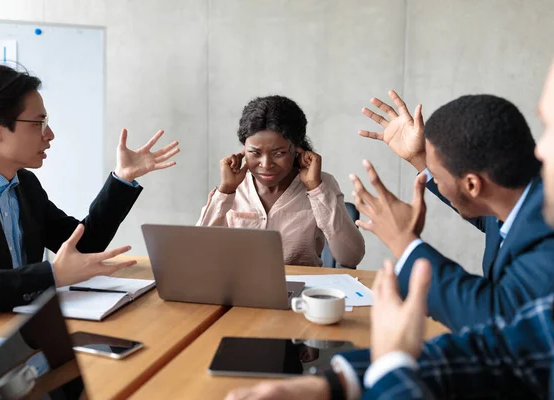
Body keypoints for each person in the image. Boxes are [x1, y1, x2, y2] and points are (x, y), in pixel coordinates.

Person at [224, 61, 554, 400]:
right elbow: (502, 349)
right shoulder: (519, 208)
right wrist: (334, 382)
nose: (540, 151)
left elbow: (498, 326)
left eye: (549, 128)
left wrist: (405, 244)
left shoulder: (546, 235)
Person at [0, 65, 180, 316]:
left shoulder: (25, 185)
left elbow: (83, 245)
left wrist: (122, 179)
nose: (49, 134)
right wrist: (49, 275)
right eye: (38, 123)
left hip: (24, 327)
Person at [349, 91, 554, 331]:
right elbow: (481, 207)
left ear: (472, 184)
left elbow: (498, 317)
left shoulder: (547, 232)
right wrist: (419, 158)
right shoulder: (516, 197)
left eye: (436, 176)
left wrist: (404, 241)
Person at [197, 95, 364, 268]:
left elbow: (350, 258)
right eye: (255, 153)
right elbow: (196, 253)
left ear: (297, 149)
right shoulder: (233, 186)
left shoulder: (321, 183)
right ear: (243, 151)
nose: (266, 164)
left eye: (279, 153)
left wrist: (316, 189)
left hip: (299, 290)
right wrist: (225, 192)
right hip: (239, 291)